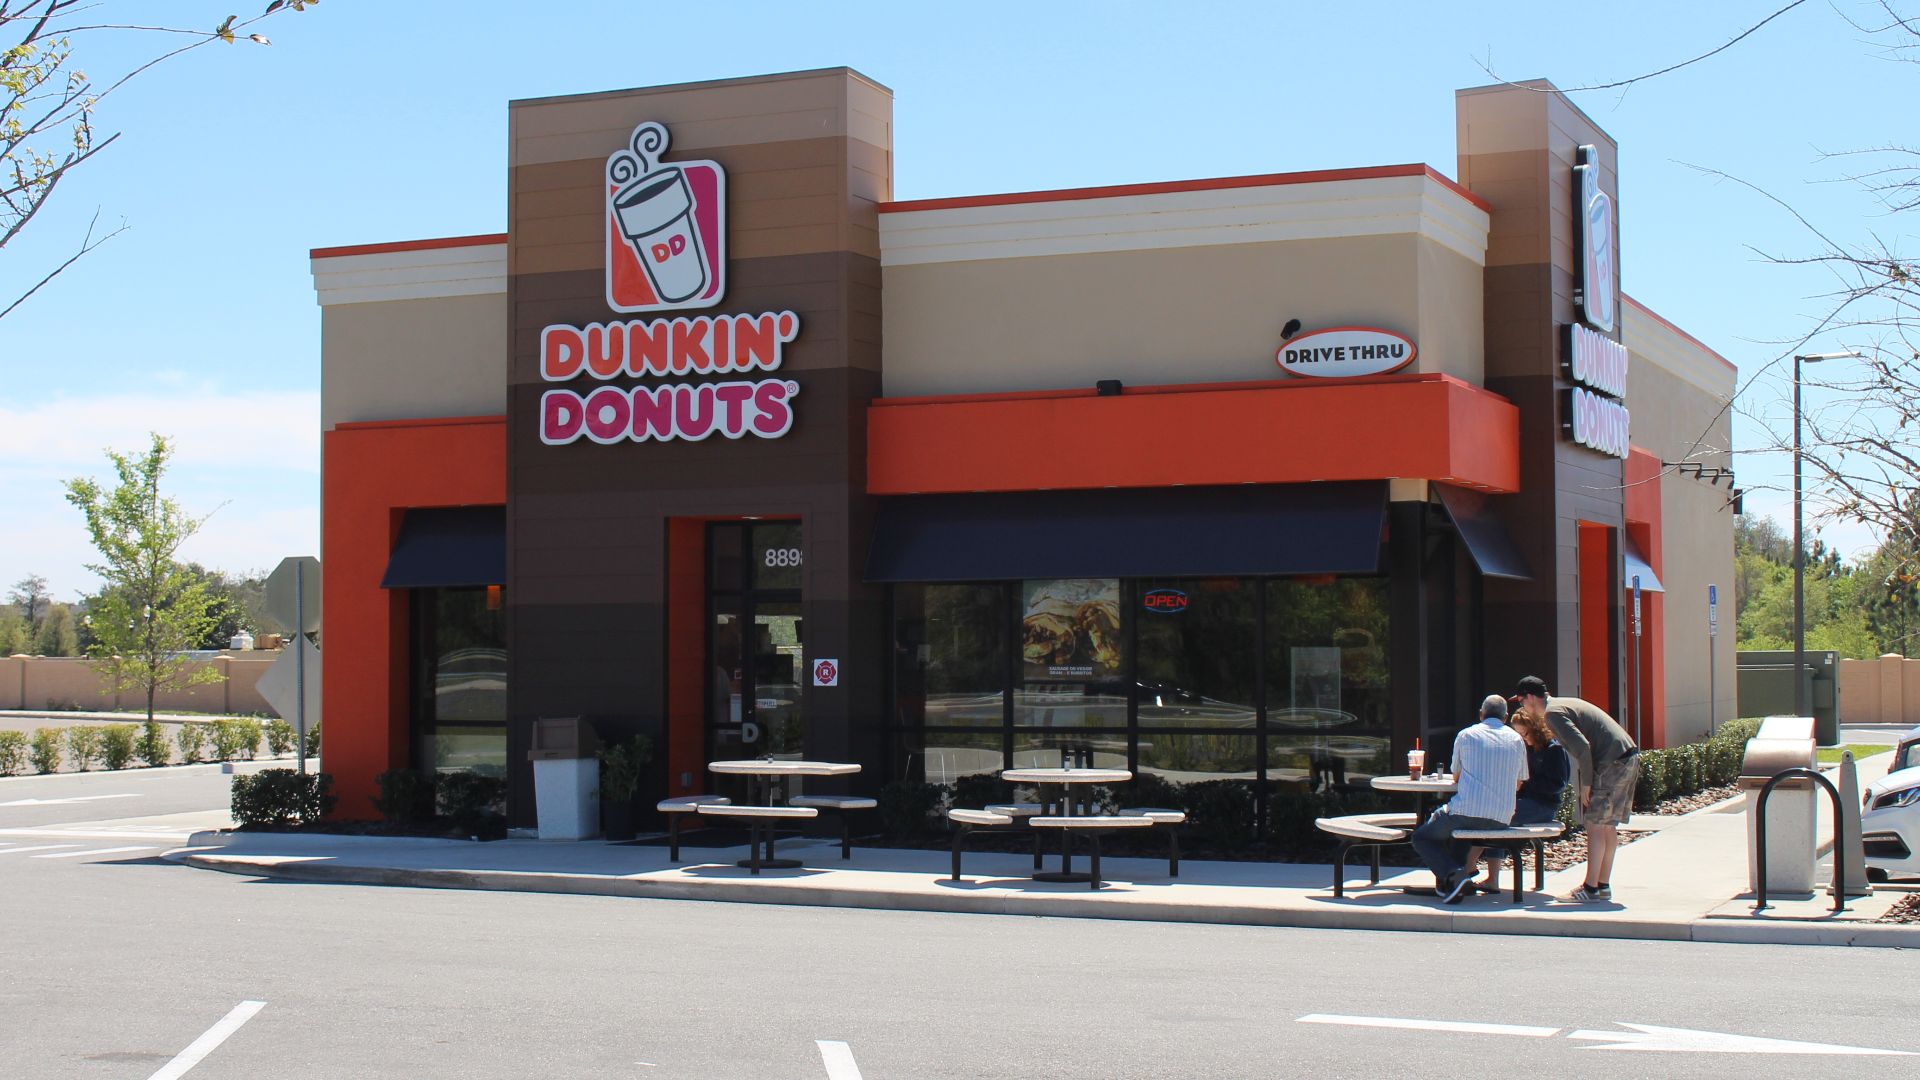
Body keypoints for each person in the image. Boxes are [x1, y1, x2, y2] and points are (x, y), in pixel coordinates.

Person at [1513, 675, 1637, 903]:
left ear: (1530, 698)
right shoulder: (1561, 705)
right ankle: (1602, 886)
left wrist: (1586, 784)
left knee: (1594, 824)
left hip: (1612, 761)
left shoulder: (1552, 713)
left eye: (1521, 701)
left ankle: (1590, 888)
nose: (1522, 707)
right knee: (1606, 825)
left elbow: (1582, 747)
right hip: (1625, 756)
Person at [1410, 694, 1528, 904]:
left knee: (1422, 837)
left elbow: (1456, 776)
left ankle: (1454, 875)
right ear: (1506, 717)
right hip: (1502, 817)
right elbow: (1520, 782)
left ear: (1481, 714)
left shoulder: (1466, 735)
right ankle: (1454, 884)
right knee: (1458, 834)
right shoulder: (1516, 739)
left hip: (1466, 811)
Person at [1465, 698, 1571, 893]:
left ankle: (1470, 867)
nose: (1522, 738)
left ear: (1536, 729)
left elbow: (1558, 784)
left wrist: (1528, 783)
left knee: (1496, 816)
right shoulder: (1526, 749)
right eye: (1519, 734)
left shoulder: (1553, 749)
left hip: (1543, 806)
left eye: (1525, 733)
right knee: (1491, 813)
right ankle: (1484, 875)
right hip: (1523, 801)